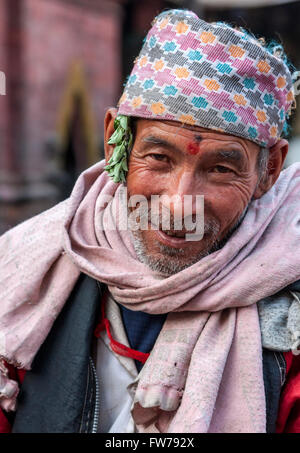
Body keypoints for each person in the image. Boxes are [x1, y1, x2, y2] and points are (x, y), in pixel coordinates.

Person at [0, 9, 300, 434]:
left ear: (269, 171)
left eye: (220, 170)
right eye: (159, 158)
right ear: (114, 141)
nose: (180, 206)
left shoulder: (291, 311)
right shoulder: (24, 266)